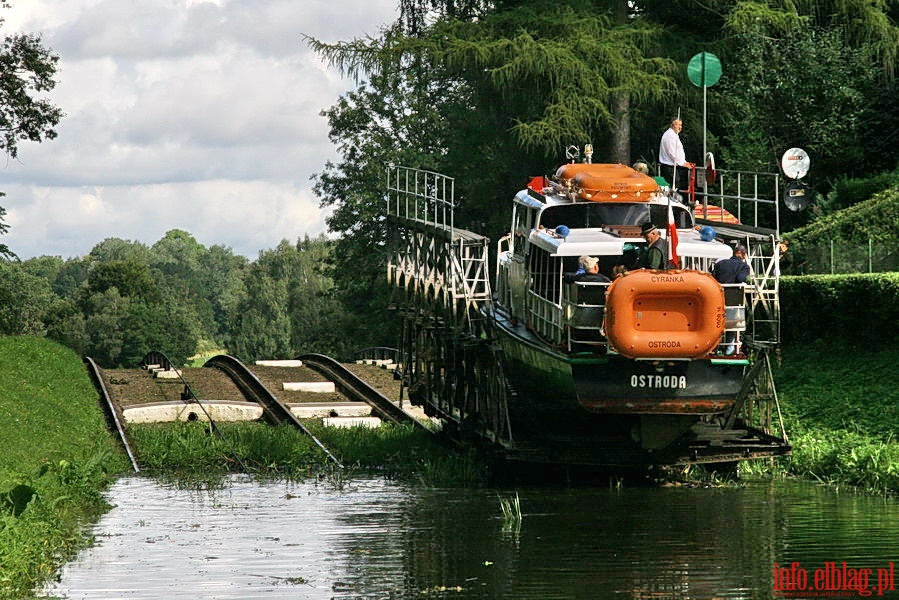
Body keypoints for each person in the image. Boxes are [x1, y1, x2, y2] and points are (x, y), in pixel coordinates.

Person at [713, 244, 750, 355]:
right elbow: (740, 279)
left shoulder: (720, 263)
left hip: (717, 297)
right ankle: (730, 348)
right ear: (743, 255)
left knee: (716, 323)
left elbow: (713, 278)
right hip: (733, 298)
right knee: (733, 323)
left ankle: (715, 347)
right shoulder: (744, 266)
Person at [658, 117, 694, 193]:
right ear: (672, 125)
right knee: (673, 186)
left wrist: (683, 162)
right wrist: (682, 163)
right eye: (676, 124)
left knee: (675, 185)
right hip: (669, 166)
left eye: (680, 125)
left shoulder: (673, 135)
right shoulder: (670, 135)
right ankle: (670, 202)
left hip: (673, 165)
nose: (679, 127)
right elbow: (672, 152)